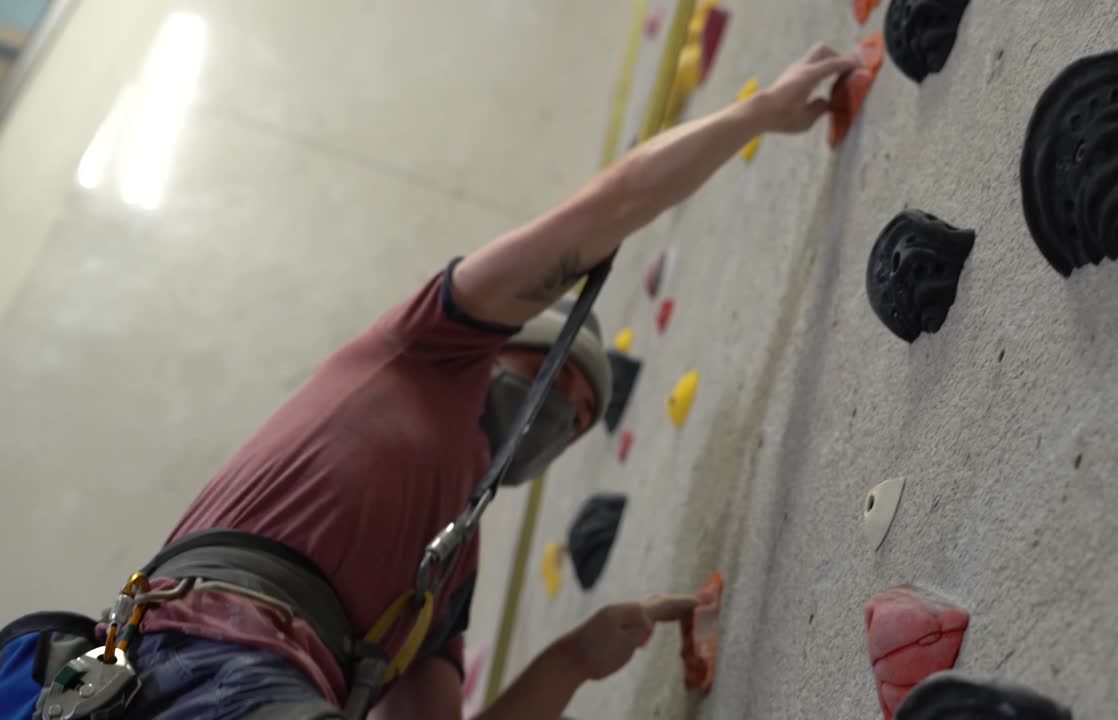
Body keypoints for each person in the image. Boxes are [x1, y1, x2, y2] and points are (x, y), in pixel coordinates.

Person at [121, 43, 862, 719]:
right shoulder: (425, 352)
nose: (560, 418)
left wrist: (572, 660)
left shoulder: (445, 578)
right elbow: (612, 205)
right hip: (195, 654)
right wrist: (758, 113)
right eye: (553, 381)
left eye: (577, 422)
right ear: (503, 345)